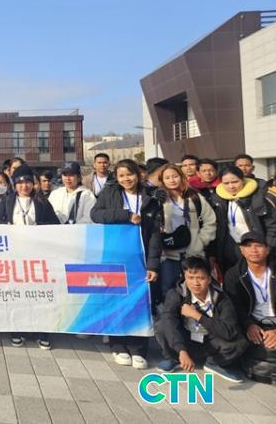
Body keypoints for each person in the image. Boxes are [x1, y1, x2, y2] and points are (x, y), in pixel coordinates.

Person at [90, 158, 161, 369]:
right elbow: (95, 214)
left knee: (139, 301)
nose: (126, 179)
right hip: (114, 255)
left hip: (140, 257)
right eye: (121, 175)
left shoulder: (150, 196)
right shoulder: (110, 192)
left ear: (138, 175)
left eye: (129, 174)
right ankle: (118, 345)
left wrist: (153, 265)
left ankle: (139, 347)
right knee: (116, 300)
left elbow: (155, 234)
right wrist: (125, 215)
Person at [0, 164, 59, 350]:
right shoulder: (7, 201)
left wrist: (39, 228)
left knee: (40, 294)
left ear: (33, 184)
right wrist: (4, 227)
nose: (24, 186)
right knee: (18, 294)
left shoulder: (42, 202)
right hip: (14, 257)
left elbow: (55, 225)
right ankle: (18, 330)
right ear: (15, 185)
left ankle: (43, 332)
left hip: (38, 256)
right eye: (20, 183)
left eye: (28, 182)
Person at [155, 256, 247, 382]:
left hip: (210, 341)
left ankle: (214, 363)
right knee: (161, 326)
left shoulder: (221, 298)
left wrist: (197, 315)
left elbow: (229, 331)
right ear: (184, 276)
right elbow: (169, 320)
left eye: (201, 278)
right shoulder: (176, 294)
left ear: (209, 278)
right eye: (190, 278)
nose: (195, 283)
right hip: (186, 339)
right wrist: (181, 350)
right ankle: (174, 358)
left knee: (240, 340)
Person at [156, 164, 217, 298]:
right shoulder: (159, 199)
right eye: (167, 178)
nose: (172, 180)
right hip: (169, 254)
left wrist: (201, 241)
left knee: (196, 291)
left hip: (193, 253)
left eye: (175, 176)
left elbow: (210, 220)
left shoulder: (194, 197)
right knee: (169, 291)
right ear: (162, 181)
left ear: (182, 177)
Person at [223, 233, 276, 383]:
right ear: (241, 250)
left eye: (258, 245)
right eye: (248, 246)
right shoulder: (233, 275)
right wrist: (249, 325)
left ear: (267, 249)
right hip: (254, 322)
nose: (253, 250)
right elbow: (234, 306)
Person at [211, 166, 276, 274]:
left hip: (257, 249)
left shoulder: (259, 197)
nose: (231, 186)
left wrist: (269, 247)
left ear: (243, 180)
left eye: (235, 182)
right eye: (226, 183)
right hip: (231, 248)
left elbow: (272, 225)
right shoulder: (218, 200)